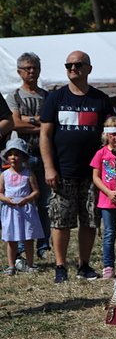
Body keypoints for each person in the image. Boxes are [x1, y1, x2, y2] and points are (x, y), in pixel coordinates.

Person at [40, 51, 114, 283]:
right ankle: (61, 266)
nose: (73, 68)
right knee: (60, 221)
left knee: (90, 220)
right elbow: (45, 135)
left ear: (89, 69)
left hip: (93, 173)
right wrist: (49, 167)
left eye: (78, 64)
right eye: (69, 65)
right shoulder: (56, 98)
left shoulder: (101, 99)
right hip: (63, 171)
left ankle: (84, 265)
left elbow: (111, 136)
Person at [6, 52, 50, 258]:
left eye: (35, 68)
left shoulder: (47, 96)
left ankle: (43, 245)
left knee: (43, 202)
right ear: (19, 72)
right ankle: (23, 248)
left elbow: (51, 124)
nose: (32, 71)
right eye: (27, 68)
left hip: (44, 154)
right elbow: (15, 123)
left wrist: (28, 120)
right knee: (21, 201)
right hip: (21, 156)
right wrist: (39, 122)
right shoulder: (13, 96)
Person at [90, 117, 116, 279]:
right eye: (113, 134)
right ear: (107, 135)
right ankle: (108, 266)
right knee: (109, 234)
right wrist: (109, 192)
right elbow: (96, 177)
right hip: (107, 201)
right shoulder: (101, 153)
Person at [1, 138, 44, 275]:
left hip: (26, 209)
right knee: (11, 239)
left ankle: (30, 264)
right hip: (10, 210)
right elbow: (0, 192)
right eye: (11, 154)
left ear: (24, 157)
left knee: (28, 238)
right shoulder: (4, 175)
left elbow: (36, 191)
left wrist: (27, 199)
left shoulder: (28, 174)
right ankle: (11, 265)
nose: (13, 157)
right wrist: (7, 200)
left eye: (17, 154)